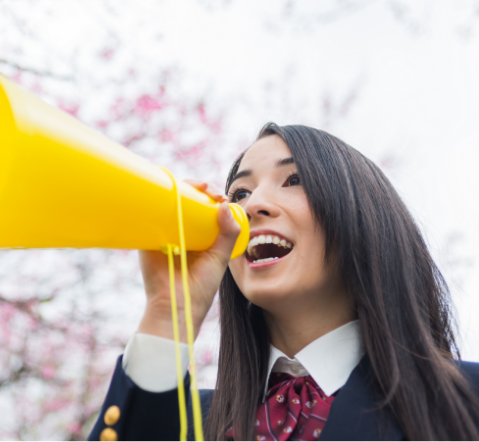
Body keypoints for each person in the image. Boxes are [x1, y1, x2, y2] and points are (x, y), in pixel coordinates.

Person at [87, 123, 479, 442]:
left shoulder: (467, 400)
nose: (253, 204)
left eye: (293, 180)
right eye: (240, 192)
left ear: (364, 220)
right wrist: (167, 315)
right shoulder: (188, 426)